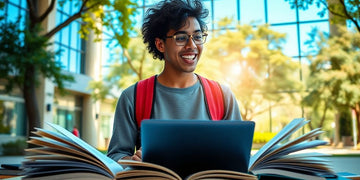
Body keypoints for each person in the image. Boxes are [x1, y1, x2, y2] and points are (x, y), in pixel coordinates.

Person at [107, 0, 242, 162]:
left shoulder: (222, 96)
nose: (192, 45)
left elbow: (238, 157)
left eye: (197, 36)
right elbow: (115, 157)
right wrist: (131, 161)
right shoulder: (133, 97)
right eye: (181, 37)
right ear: (160, 44)